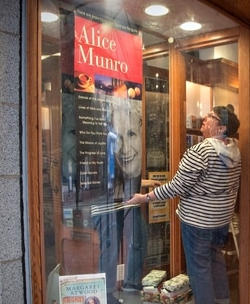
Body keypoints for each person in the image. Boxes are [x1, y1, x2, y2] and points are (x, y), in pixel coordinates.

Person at [126, 105, 242, 304]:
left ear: (221, 128)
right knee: (215, 261)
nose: (205, 118)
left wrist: (145, 198)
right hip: (220, 220)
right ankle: (223, 301)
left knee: (199, 269)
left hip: (197, 222)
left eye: (211, 117)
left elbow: (177, 187)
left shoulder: (200, 150)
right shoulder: (235, 151)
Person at [93, 98, 159, 304]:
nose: (125, 147)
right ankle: (108, 292)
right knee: (112, 245)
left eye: (131, 134)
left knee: (138, 239)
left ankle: (130, 287)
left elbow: (129, 173)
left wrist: (145, 182)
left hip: (128, 198)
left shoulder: (129, 162)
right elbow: (114, 176)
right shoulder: (106, 154)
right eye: (118, 137)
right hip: (110, 202)